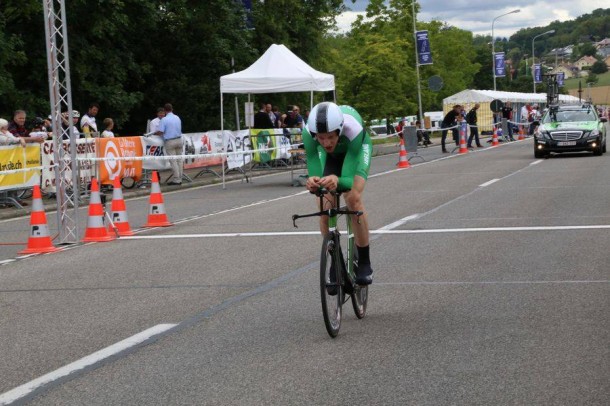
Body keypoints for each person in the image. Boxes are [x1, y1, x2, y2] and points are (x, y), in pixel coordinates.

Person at [302, 102, 374, 286]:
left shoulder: (353, 129)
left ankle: (365, 261)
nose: (326, 142)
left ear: (339, 130)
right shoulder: (308, 133)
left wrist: (336, 178)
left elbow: (348, 180)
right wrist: (314, 182)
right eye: (321, 138)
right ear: (314, 134)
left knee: (353, 198)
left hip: (355, 150)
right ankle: (336, 263)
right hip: (332, 157)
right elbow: (314, 166)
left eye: (331, 137)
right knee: (325, 209)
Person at [155, 103, 183, 185]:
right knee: (180, 160)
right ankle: (180, 177)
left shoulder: (164, 119)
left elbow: (160, 131)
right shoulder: (177, 117)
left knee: (173, 161)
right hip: (179, 139)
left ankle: (176, 179)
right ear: (172, 109)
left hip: (170, 141)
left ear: (165, 110)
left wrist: (154, 133)